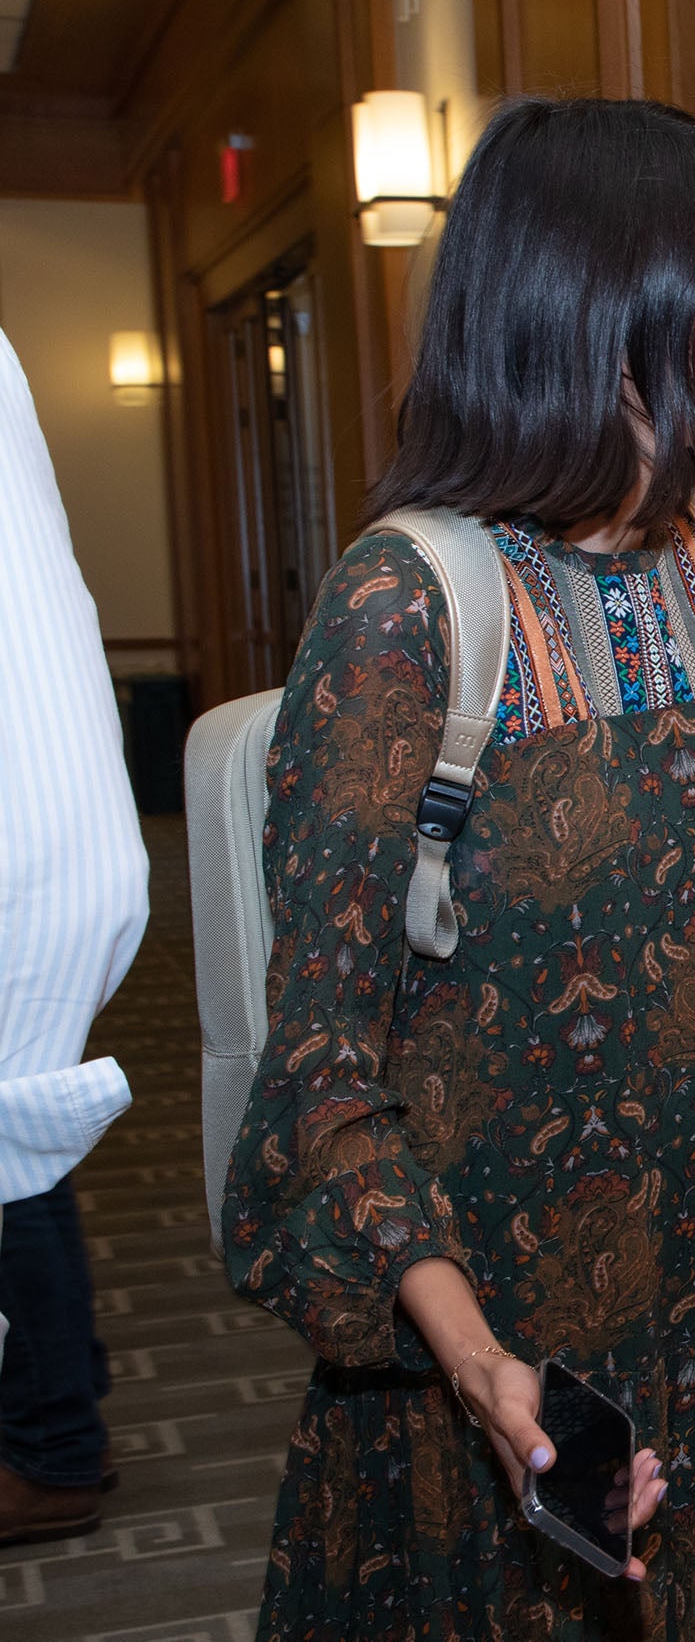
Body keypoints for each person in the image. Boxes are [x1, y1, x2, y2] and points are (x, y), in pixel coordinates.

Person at [222, 98, 695, 1639]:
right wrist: (480, 1365)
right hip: (523, 1377)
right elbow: (323, 1083)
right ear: (621, 294)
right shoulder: (405, 608)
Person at [0, 326, 148, 1547]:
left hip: (35, 863)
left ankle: (53, 1439)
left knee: (15, 1145)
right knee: (19, 1146)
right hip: (51, 863)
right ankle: (61, 1413)